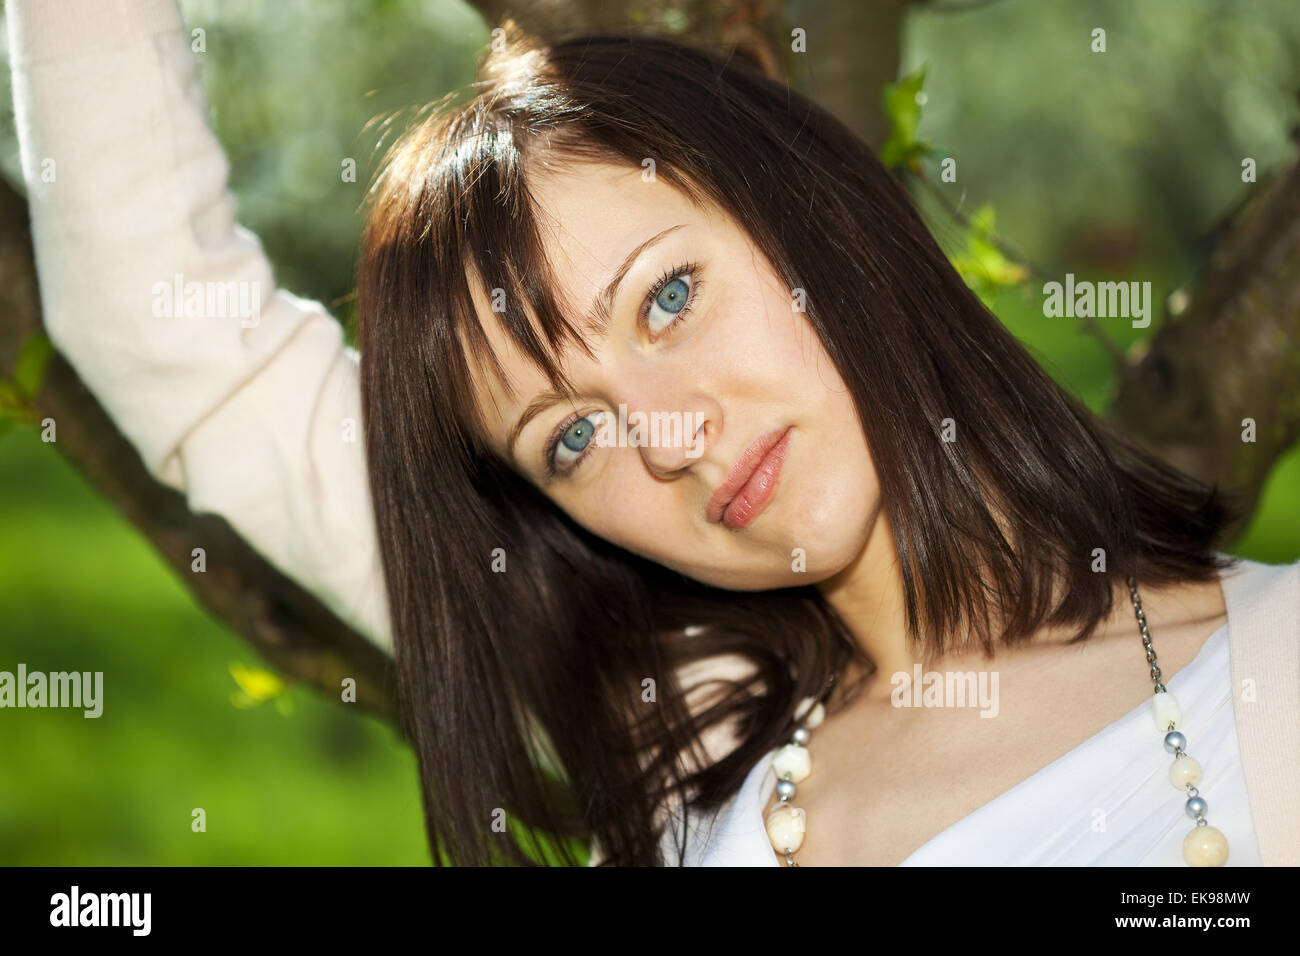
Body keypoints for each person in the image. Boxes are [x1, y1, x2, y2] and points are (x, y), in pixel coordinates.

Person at [9, 0, 1299, 868]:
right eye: (568, 440)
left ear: (810, 209)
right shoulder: (691, 720)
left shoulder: (1269, 674)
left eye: (667, 299)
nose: (669, 438)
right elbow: (161, 330)